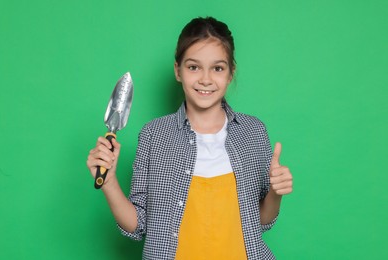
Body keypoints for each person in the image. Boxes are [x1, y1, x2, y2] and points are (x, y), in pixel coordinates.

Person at [87, 16, 293, 260]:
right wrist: (109, 182)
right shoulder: (154, 135)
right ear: (178, 70)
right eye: (193, 67)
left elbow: (261, 221)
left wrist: (275, 194)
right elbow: (138, 225)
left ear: (230, 73)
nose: (205, 79)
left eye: (217, 68)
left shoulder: (253, 132)